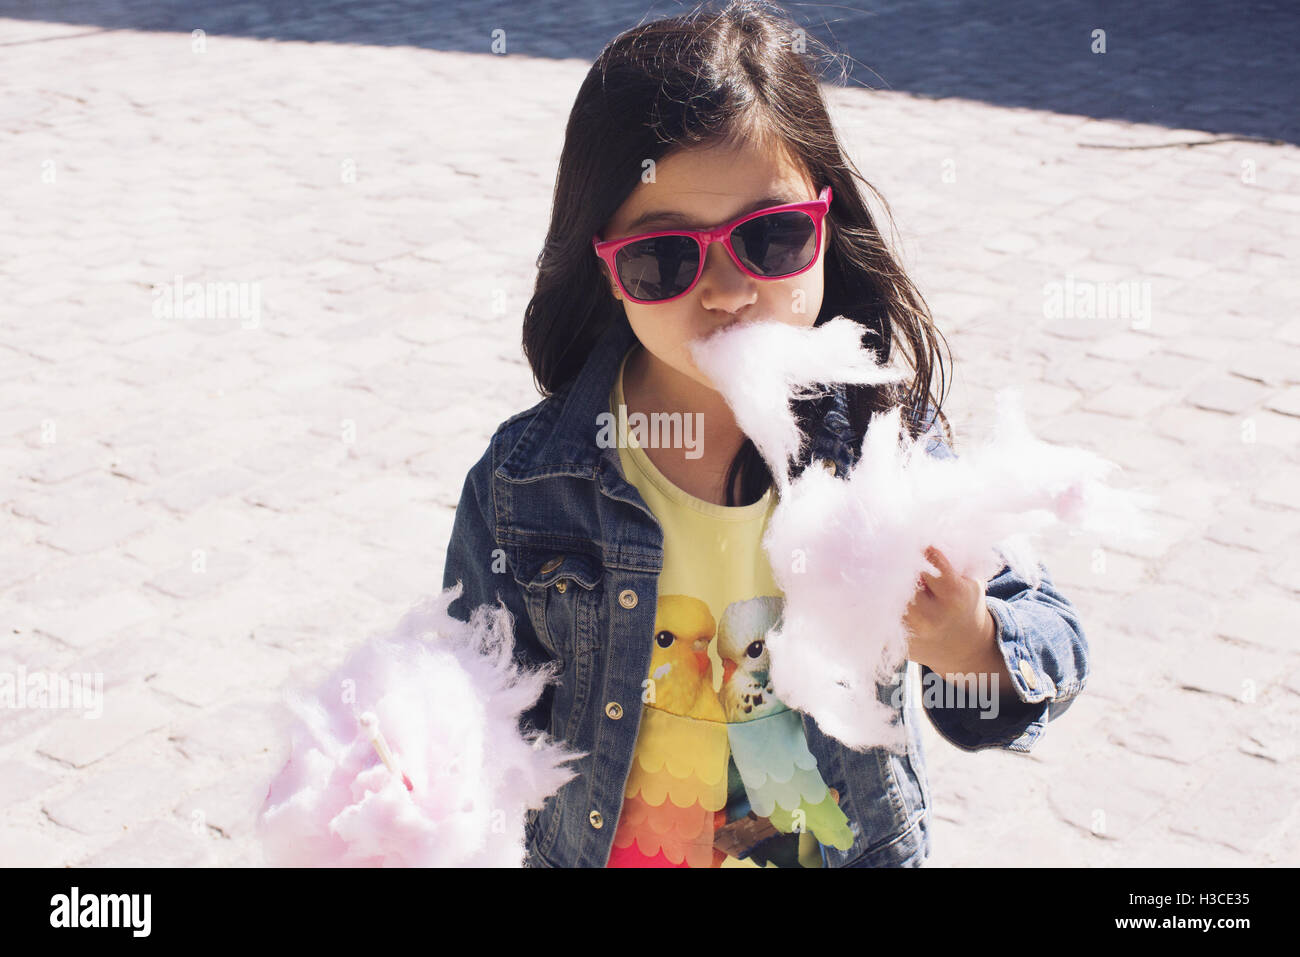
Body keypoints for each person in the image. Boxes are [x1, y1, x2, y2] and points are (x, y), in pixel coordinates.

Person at [442, 0, 1089, 867]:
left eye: (773, 238)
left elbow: (1049, 641)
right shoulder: (526, 483)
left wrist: (969, 640)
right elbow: (476, 692)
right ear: (604, 267)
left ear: (827, 227)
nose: (728, 290)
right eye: (665, 257)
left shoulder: (881, 447)